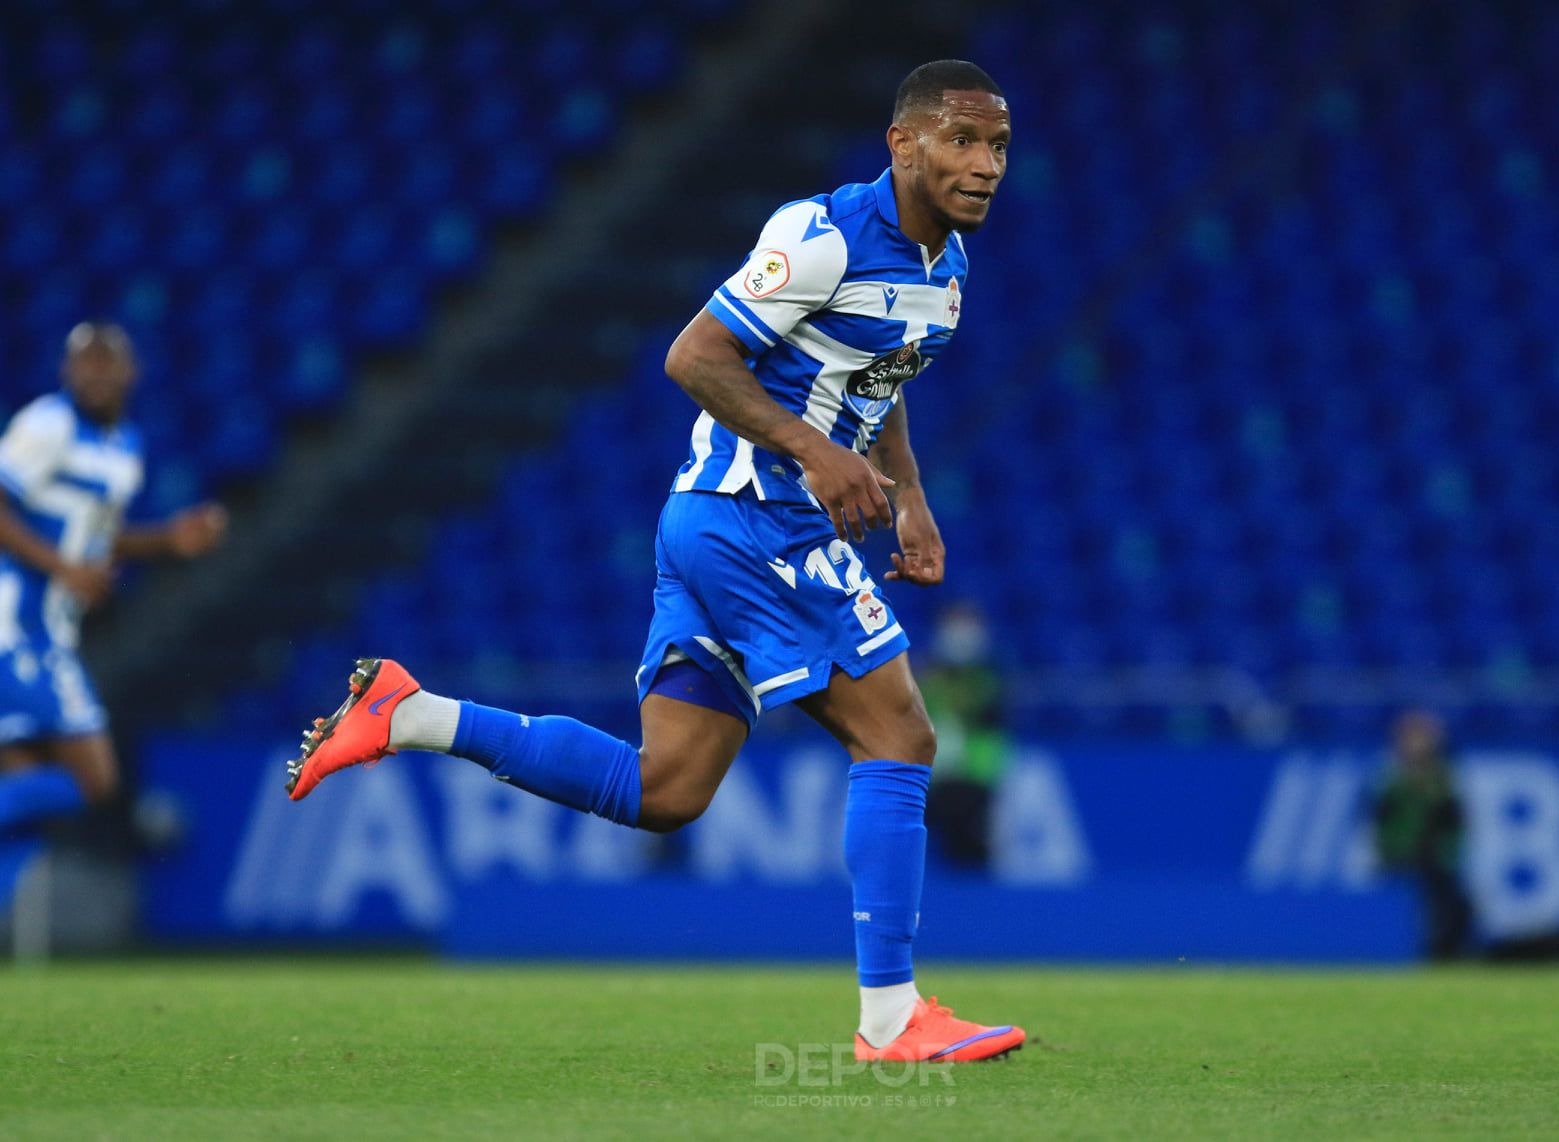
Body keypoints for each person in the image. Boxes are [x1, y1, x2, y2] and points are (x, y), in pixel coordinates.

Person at [289, 60, 1024, 1062]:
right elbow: (692, 355)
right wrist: (816, 452)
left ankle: (411, 713)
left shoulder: (945, 269)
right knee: (898, 736)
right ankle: (890, 1017)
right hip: (753, 514)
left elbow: (877, 375)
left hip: (719, 524)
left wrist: (910, 497)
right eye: (959, 141)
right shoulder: (821, 237)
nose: (982, 165)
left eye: (996, 146)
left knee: (666, 789)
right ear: (902, 144)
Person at [0, 323, 227, 853]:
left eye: (107, 362)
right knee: (93, 779)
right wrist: (63, 569)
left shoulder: (125, 446)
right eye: (86, 361)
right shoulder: (48, 423)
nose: (97, 373)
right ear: (66, 370)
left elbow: (96, 538)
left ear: (131, 373)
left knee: (25, 791)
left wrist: (168, 540)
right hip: (17, 624)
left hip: (49, 627)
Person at [1374, 709, 1474, 960]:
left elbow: (1455, 820)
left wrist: (1450, 850)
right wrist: (1391, 851)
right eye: (1412, 738)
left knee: (1456, 905)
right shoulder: (1392, 779)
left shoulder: (1443, 777)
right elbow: (1383, 821)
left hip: (1436, 858)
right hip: (1406, 856)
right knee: (1427, 903)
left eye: (1423, 737)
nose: (1418, 744)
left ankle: (1448, 954)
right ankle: (1432, 952)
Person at [919, 602, 1011, 869]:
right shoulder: (929, 675)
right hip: (939, 775)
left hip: (977, 776)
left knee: (976, 851)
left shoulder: (990, 674)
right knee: (943, 853)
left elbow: (987, 715)